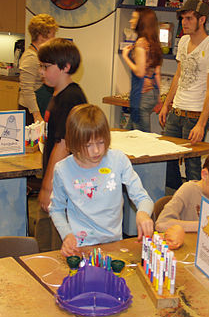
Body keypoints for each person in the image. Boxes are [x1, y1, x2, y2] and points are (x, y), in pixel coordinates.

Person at [50, 104, 155, 257]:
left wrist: (143, 214)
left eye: (101, 142)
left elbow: (143, 198)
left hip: (114, 244)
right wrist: (67, 235)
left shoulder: (118, 160)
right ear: (75, 142)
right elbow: (56, 209)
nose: (97, 151)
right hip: (80, 247)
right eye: (88, 145)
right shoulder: (63, 169)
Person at [158, 0, 209, 189]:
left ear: (202, 20)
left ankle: (196, 205)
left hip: (194, 116)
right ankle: (173, 199)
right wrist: (166, 105)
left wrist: (201, 124)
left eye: (188, 19)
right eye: (182, 19)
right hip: (176, 112)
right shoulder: (184, 41)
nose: (184, 23)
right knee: (168, 158)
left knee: (192, 164)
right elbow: (178, 75)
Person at [36, 38, 88, 251]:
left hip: (63, 185)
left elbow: (63, 145)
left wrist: (48, 187)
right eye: (40, 66)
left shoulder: (70, 98)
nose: (42, 72)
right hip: (57, 182)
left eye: (46, 67)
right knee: (46, 234)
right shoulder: (56, 94)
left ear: (65, 67)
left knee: (59, 241)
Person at [155, 146, 209, 249]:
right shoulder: (188, 190)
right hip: (186, 249)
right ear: (205, 175)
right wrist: (202, 226)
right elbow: (161, 224)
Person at [120, 8, 162, 132]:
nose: (130, 20)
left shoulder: (140, 43)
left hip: (142, 95)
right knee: (128, 133)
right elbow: (157, 72)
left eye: (134, 18)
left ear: (142, 22)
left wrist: (125, 57)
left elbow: (140, 72)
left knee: (141, 137)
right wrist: (159, 97)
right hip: (152, 93)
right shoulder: (153, 42)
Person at [18, 14, 58, 124]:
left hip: (41, 107)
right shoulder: (30, 57)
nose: (54, 38)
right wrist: (36, 115)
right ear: (41, 36)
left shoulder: (41, 55)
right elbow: (27, 90)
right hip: (31, 112)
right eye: (52, 34)